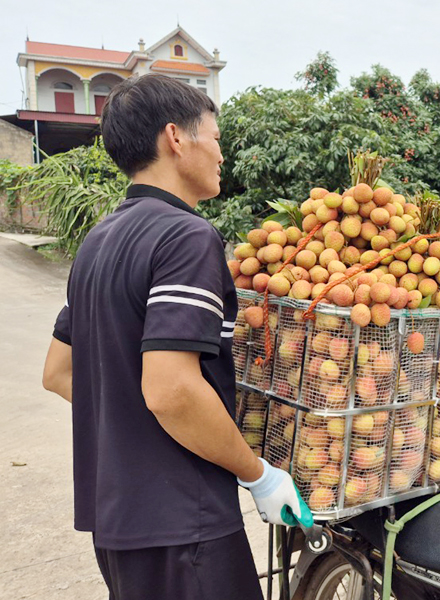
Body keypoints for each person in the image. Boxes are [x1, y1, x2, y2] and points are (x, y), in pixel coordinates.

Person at [41, 73, 312, 600]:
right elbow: (170, 390)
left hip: (115, 521)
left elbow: (58, 372)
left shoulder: (98, 240)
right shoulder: (186, 236)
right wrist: (256, 474)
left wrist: (139, 420)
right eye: (215, 139)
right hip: (181, 524)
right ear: (176, 138)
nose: (221, 155)